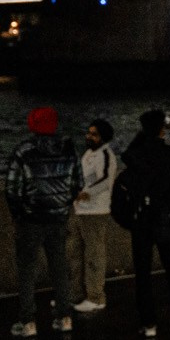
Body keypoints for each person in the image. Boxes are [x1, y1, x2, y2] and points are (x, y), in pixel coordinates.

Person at [5, 105, 80, 338]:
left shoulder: (24, 151)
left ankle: (28, 321)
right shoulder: (68, 150)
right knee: (59, 266)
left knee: (27, 270)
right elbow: (77, 184)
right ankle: (64, 316)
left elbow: (11, 188)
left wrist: (19, 213)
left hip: (31, 219)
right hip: (58, 217)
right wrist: (63, 205)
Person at [121, 108, 170, 339]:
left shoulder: (136, 154)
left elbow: (126, 154)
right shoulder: (168, 154)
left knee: (143, 274)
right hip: (164, 219)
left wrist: (145, 133)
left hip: (142, 219)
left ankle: (149, 323)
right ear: (162, 129)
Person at [72, 118, 120, 312]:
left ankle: (96, 297)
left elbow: (106, 180)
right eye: (89, 133)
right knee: (76, 253)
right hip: (81, 210)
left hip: (95, 211)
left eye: (94, 134)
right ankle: (75, 294)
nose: (89, 136)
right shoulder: (89, 154)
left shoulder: (105, 155)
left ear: (103, 137)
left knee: (94, 255)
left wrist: (86, 193)